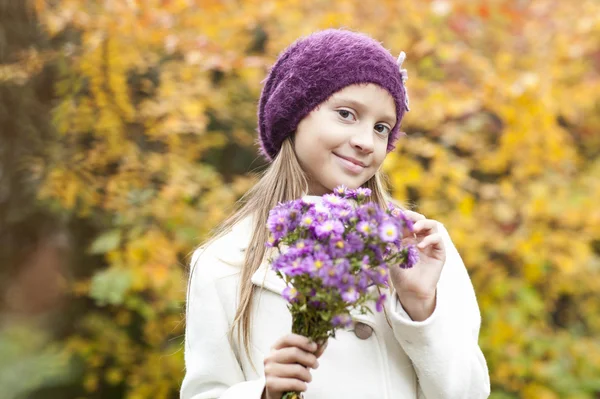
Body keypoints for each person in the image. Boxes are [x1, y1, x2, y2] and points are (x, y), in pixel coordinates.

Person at [180, 28, 490, 399]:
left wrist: (421, 307)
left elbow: (468, 394)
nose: (365, 141)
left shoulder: (417, 248)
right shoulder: (223, 264)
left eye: (381, 128)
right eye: (346, 114)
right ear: (293, 116)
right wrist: (263, 393)